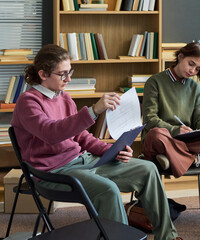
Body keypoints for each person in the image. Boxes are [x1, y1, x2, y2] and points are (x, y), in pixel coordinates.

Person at [11, 44, 181, 240]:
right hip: (54, 173)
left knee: (148, 169)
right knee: (107, 190)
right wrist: (93, 111)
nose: (69, 79)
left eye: (70, 72)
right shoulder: (28, 102)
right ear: (43, 74)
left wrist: (113, 150)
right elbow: (51, 133)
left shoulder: (64, 98)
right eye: (63, 74)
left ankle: (167, 236)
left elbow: (82, 137)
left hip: (85, 161)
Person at [141, 41, 200, 178]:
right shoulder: (154, 82)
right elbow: (150, 119)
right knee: (155, 135)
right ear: (180, 57)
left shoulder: (194, 87)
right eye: (191, 64)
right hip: (165, 138)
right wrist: (175, 130)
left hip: (188, 139)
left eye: (197, 69)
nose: (192, 71)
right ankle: (197, 158)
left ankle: (174, 158)